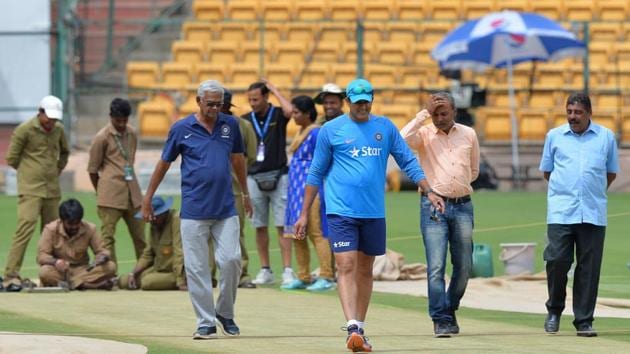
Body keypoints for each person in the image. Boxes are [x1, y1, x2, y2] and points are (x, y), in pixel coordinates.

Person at [295, 79, 443, 352]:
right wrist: (304, 213)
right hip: (341, 212)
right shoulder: (331, 130)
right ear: (348, 101)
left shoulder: (384, 127)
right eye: (357, 101)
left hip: (373, 212)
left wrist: (428, 190)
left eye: (366, 100)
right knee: (346, 265)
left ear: (371, 100)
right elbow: (315, 172)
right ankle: (351, 325)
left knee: (365, 268)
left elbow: (407, 160)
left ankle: (359, 329)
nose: (362, 106)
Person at [141, 80, 252, 339]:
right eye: (210, 104)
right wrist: (148, 197)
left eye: (219, 104)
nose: (215, 109)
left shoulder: (230, 125)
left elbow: (238, 160)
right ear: (198, 101)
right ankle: (205, 322)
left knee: (231, 260)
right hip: (193, 210)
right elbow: (164, 163)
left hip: (225, 207)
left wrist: (245, 193)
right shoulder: (181, 129)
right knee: (197, 268)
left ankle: (225, 311)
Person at [539, 92, 618, 337]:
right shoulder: (554, 136)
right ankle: (554, 310)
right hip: (561, 211)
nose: (572, 117)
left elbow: (611, 173)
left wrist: (590, 192)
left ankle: (584, 321)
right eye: (569, 112)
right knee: (556, 262)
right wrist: (569, 191)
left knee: (589, 268)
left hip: (593, 213)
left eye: (578, 112)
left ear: (589, 113)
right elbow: (547, 172)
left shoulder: (606, 137)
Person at [401, 92, 479, 337]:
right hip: (433, 204)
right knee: (436, 265)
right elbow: (401, 140)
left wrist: (458, 186)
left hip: (463, 204)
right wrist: (423, 113)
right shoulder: (424, 134)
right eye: (435, 114)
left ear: (454, 111)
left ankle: (449, 307)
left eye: (444, 113)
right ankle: (440, 318)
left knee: (464, 265)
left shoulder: (469, 134)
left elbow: (473, 169)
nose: (439, 118)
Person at [3, 95, 70, 291]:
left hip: (52, 189)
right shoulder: (25, 130)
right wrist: (28, 174)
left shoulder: (59, 130)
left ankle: (49, 275)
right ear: (40, 112)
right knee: (25, 228)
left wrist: (58, 168)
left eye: (55, 119)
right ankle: (11, 275)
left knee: (53, 234)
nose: (51, 123)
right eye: (49, 118)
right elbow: (12, 158)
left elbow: (64, 152)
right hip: (30, 189)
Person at [242, 80, 297, 286]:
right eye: (250, 100)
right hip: (254, 177)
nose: (253, 103)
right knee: (260, 226)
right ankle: (265, 269)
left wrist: (275, 89)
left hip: (279, 174)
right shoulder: (246, 120)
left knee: (283, 225)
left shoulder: (277, 115)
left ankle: (287, 270)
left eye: (256, 99)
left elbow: (290, 111)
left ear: (266, 98)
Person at [282, 96, 335, 292]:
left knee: (317, 232)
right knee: (298, 235)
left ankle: (326, 275)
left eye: (296, 113)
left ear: (307, 113)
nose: (293, 116)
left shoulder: (316, 133)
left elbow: (324, 161)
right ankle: (303, 275)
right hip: (295, 190)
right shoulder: (300, 132)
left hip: (312, 190)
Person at [208, 88, 257, 289]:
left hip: (234, 189)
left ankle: (241, 274)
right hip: (209, 189)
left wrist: (237, 172)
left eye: (222, 105)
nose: (219, 109)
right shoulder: (206, 125)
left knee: (235, 231)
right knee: (207, 231)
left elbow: (251, 155)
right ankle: (208, 275)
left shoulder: (242, 125)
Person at [87, 98, 146, 265]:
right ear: (110, 117)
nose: (121, 124)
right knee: (107, 238)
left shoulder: (132, 133)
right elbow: (92, 170)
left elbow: (130, 160)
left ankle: (145, 272)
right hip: (109, 195)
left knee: (141, 237)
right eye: (118, 120)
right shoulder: (102, 137)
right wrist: (102, 191)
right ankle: (109, 274)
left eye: (125, 120)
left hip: (133, 194)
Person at [37, 199, 117, 290]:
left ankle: (71, 285)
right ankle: (88, 285)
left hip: (83, 270)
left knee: (110, 267)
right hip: (61, 272)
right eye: (70, 224)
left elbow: (103, 251)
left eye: (77, 223)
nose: (74, 227)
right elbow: (42, 256)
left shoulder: (90, 228)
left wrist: (102, 257)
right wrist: (56, 262)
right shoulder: (50, 229)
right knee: (44, 272)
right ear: (62, 220)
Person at [119, 196, 186, 291]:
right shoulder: (154, 225)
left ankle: (186, 280)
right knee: (123, 281)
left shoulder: (176, 220)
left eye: (153, 217)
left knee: (147, 282)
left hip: (177, 272)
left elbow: (179, 251)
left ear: (164, 213)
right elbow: (147, 255)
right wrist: (133, 273)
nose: (150, 220)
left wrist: (180, 281)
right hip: (159, 269)